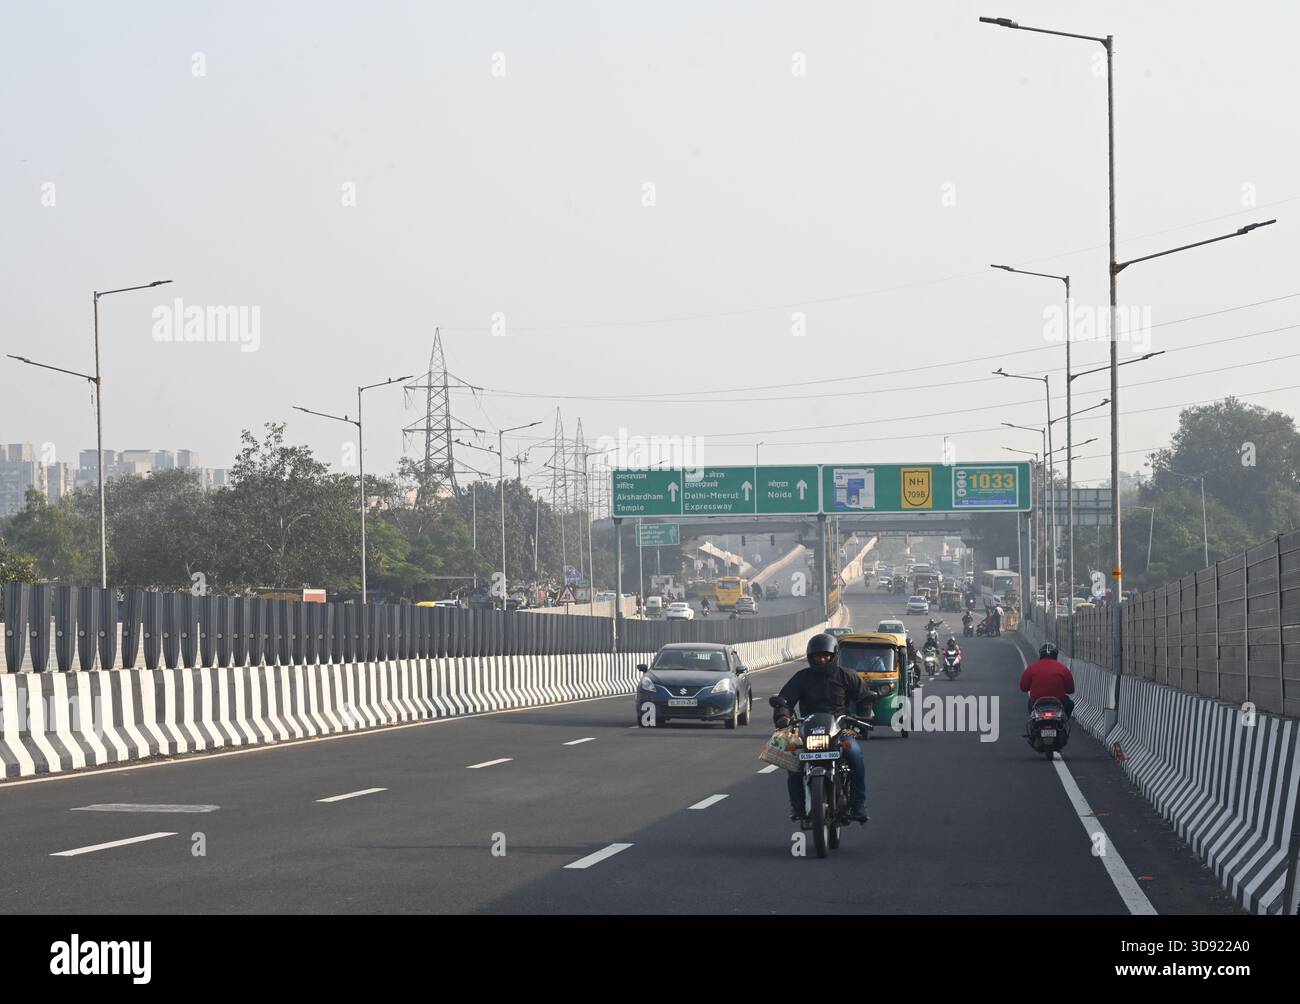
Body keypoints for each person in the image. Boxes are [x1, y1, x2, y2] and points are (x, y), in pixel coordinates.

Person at [772, 633, 869, 822]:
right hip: (808, 732)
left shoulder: (847, 676)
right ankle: (798, 808)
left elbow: (864, 697)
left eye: (825, 655)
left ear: (834, 655)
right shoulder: (801, 678)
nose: (822, 659)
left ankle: (859, 805)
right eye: (818, 656)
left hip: (840, 733)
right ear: (811, 657)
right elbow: (785, 699)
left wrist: (860, 720)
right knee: (793, 764)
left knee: (855, 755)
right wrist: (783, 716)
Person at [1020, 642, 1075, 718]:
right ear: (1055, 655)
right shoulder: (1063, 669)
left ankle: (1034, 722)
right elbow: (1070, 690)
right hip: (1058, 702)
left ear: (1041, 655)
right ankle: (1064, 722)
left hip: (1037, 702)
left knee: (1030, 703)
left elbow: (1023, 687)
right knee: (1070, 704)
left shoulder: (1032, 668)